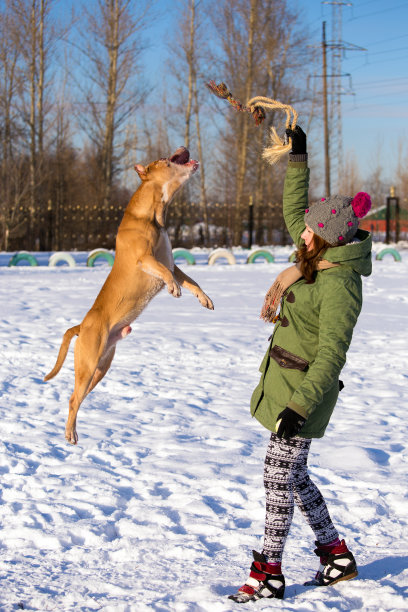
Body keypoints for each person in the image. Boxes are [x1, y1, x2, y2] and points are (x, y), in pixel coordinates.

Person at [229, 126, 373, 603]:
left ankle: (269, 571)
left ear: (327, 241)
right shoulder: (316, 256)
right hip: (283, 384)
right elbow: (295, 209)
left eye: (310, 230)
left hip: (304, 395)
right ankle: (334, 553)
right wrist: (299, 158)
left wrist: (298, 408)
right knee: (293, 476)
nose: (301, 232)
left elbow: (332, 355)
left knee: (277, 476)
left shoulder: (340, 285)